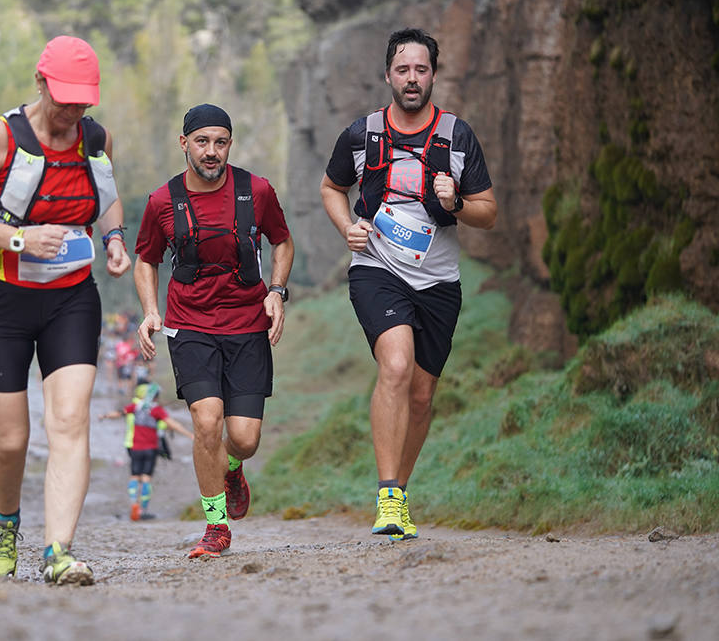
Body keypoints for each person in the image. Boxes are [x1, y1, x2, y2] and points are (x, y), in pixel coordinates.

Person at [0, 35, 131, 585]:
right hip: (0, 299)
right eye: (65, 97)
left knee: (70, 421)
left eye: (83, 100)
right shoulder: (2, 136)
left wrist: (115, 237)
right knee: (11, 439)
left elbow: (108, 193)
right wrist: (21, 241)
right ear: (41, 82)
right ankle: (4, 520)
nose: (74, 110)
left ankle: (59, 553)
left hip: (72, 297)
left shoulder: (96, 138)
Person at [320, 28, 497, 540]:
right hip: (377, 268)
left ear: (433, 75)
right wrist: (347, 227)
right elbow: (333, 188)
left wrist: (457, 201)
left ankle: (399, 497)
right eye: (403, 69)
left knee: (421, 396)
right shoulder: (362, 133)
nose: (412, 78)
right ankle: (387, 492)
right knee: (395, 365)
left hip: (439, 280)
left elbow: (488, 213)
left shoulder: (458, 137)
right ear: (388, 75)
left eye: (421, 69)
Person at [134, 103, 295, 558]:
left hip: (247, 323)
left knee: (243, 439)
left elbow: (282, 240)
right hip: (189, 325)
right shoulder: (162, 201)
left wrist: (277, 291)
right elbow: (145, 258)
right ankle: (216, 526)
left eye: (220, 142)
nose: (211, 152)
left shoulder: (256, 191)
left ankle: (230, 468)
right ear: (184, 144)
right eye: (202, 142)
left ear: (230, 145)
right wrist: (150, 311)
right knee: (207, 422)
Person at [101, 380, 194, 521]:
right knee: (146, 478)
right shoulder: (156, 410)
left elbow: (119, 413)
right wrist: (190, 435)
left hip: (135, 448)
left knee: (134, 476)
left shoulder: (136, 407)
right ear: (156, 397)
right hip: (151, 449)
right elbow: (172, 424)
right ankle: (143, 510)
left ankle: (134, 504)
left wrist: (105, 416)